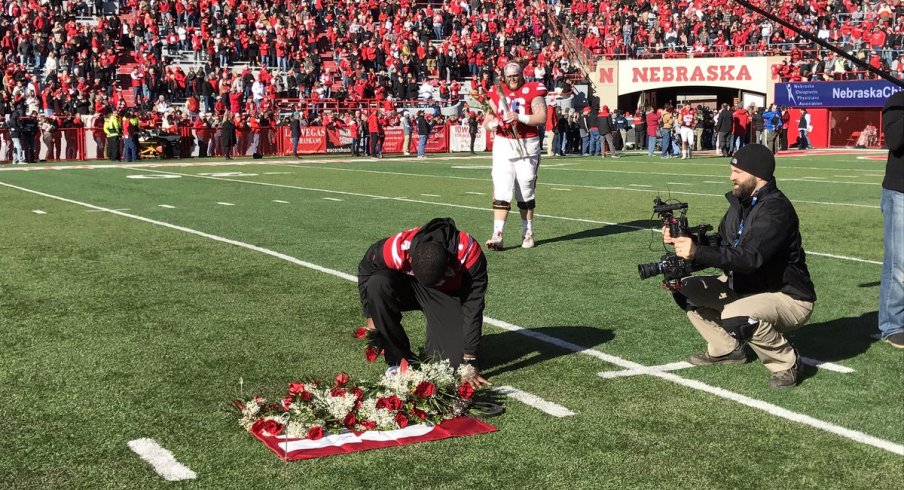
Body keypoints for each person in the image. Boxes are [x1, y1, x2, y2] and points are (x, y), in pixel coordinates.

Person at [664, 144, 816, 388]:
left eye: (738, 171)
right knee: (682, 287)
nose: (731, 176)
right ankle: (726, 349)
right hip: (747, 288)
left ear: (759, 176)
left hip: (786, 296)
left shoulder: (776, 210)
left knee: (736, 315)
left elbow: (749, 258)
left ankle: (787, 362)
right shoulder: (741, 204)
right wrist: (687, 243)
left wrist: (698, 251)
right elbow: (723, 243)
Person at [357, 217, 490, 388]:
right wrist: (370, 314)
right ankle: (398, 360)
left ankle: (448, 344)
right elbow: (366, 267)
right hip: (410, 286)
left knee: (448, 365)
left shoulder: (469, 253)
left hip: (446, 295)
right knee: (377, 283)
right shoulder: (397, 248)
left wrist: (470, 359)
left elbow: (473, 305)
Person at [482, 62, 548, 250]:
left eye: (516, 75)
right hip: (503, 143)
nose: (512, 79)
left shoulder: (532, 89)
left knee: (525, 189)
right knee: (502, 188)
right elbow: (487, 120)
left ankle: (527, 232)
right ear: (504, 76)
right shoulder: (497, 91)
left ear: (522, 74)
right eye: (509, 76)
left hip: (527, 143)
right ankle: (498, 234)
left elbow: (541, 117)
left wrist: (519, 117)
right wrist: (492, 124)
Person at [879, 90, 904, 348]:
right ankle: (892, 324)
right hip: (900, 192)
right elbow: (895, 140)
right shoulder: (897, 100)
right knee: (899, 263)